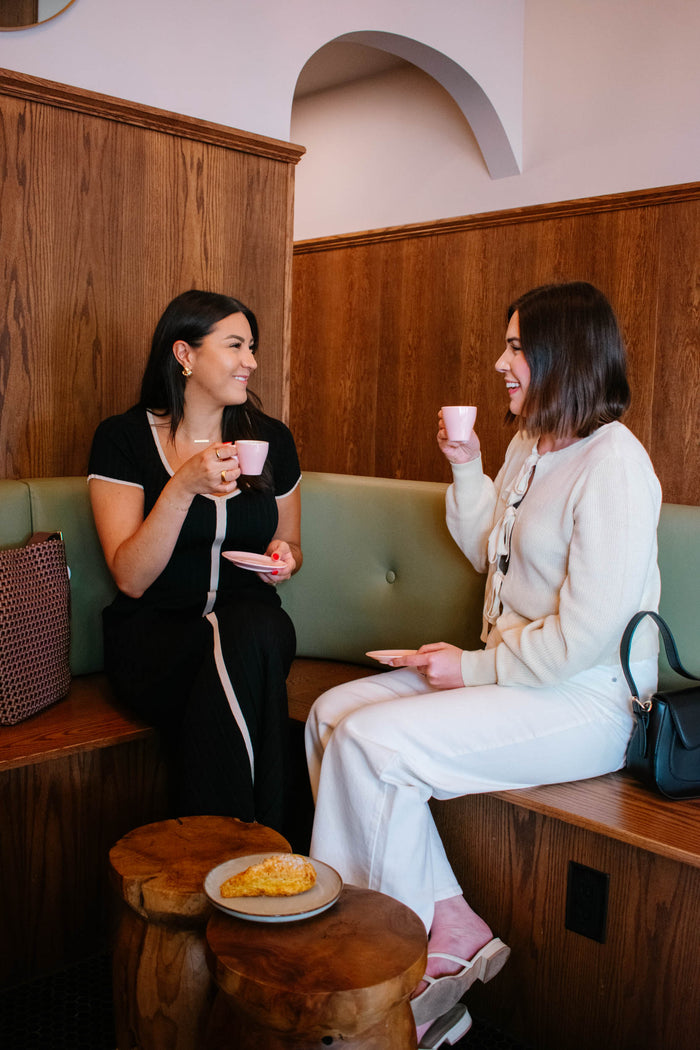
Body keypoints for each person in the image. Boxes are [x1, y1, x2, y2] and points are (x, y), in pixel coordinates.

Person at [305, 282, 661, 1048]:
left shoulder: (617, 468)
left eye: (515, 347)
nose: (500, 362)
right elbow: (487, 556)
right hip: (516, 673)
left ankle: (376, 978)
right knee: (330, 716)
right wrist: (467, 467)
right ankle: (449, 925)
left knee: (373, 745)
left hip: (586, 700)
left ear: (564, 354)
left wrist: (466, 670)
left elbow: (586, 639)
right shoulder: (532, 444)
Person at [88, 289, 302, 835]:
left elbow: (292, 544)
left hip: (254, 631)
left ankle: (218, 854)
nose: (251, 361)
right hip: (157, 642)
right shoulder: (123, 440)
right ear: (184, 355)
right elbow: (131, 579)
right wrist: (183, 485)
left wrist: (284, 558)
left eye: (251, 347)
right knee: (237, 666)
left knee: (249, 630)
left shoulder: (270, 439)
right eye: (235, 346)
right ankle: (270, 848)